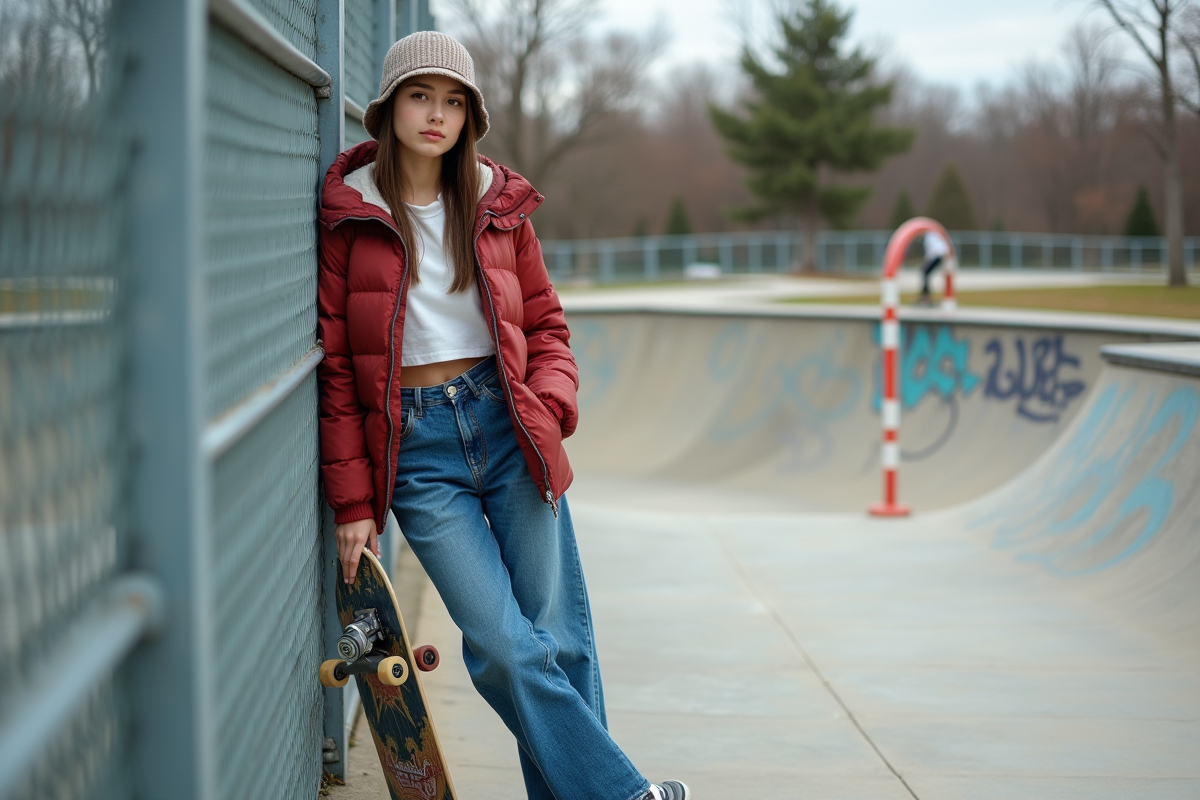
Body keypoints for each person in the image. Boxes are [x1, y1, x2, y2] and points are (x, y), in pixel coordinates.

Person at [316, 31, 690, 800]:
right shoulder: (351, 214)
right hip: (418, 456)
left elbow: (549, 328)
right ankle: (624, 795)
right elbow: (339, 369)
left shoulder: (497, 205)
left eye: (453, 102)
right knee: (503, 649)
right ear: (387, 109)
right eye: (421, 96)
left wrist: (547, 410)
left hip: (507, 426)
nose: (436, 115)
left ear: (469, 118)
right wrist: (354, 502)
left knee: (561, 645)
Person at [918, 229, 950, 305]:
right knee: (925, 273)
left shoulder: (930, 236)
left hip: (937, 257)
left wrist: (925, 262)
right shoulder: (932, 235)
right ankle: (925, 296)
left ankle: (926, 297)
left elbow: (935, 250)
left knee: (925, 273)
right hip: (938, 256)